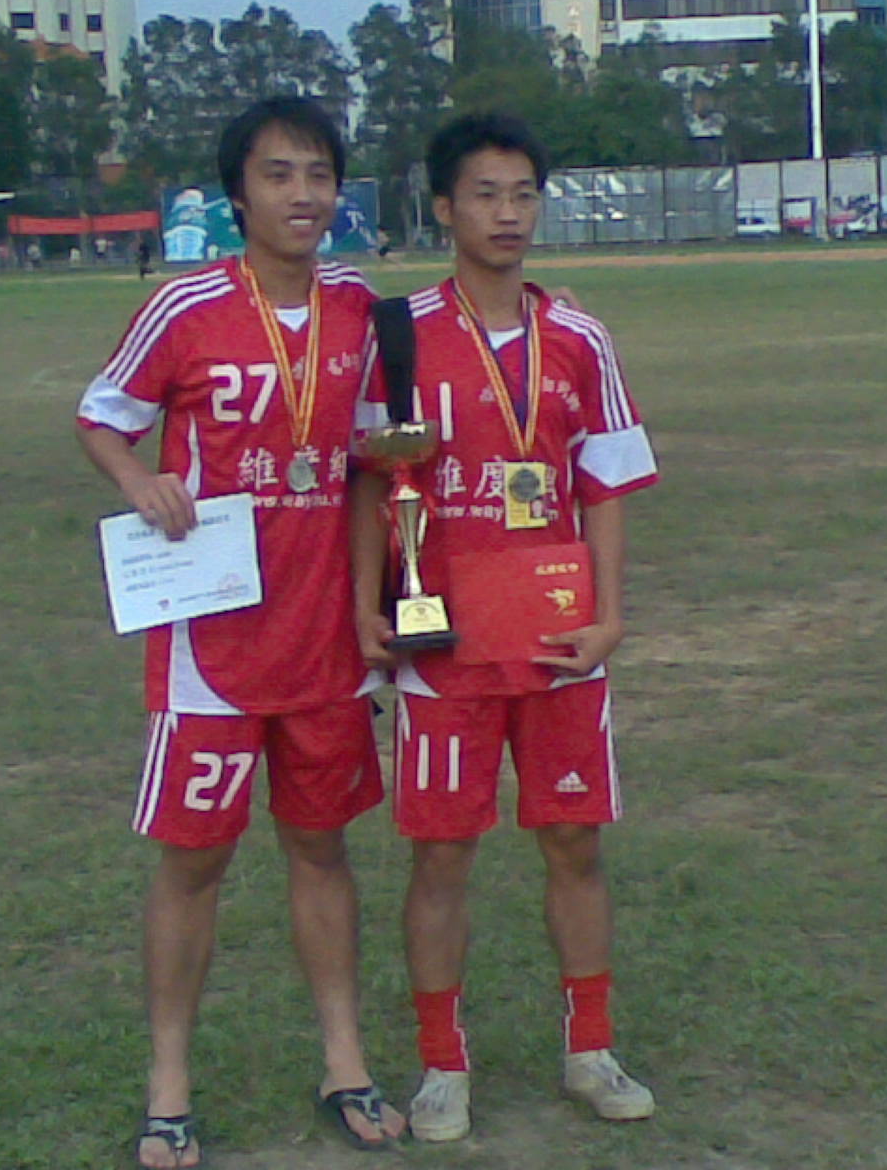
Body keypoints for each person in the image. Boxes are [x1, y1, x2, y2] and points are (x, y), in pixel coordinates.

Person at [75, 97, 406, 1169]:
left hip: (324, 646)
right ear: (237, 195)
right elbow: (102, 415)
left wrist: (369, 605)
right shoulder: (186, 307)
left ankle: (345, 1062)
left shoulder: (361, 314)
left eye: (319, 174)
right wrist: (141, 481)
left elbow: (372, 469)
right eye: (278, 174)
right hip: (209, 647)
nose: (303, 195)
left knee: (322, 848)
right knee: (192, 862)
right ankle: (168, 1085)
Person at [349, 112, 660, 1143]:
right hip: (445, 640)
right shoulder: (397, 336)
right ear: (444, 207)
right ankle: (443, 1065)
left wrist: (610, 616)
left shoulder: (578, 337)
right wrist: (364, 606)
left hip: (560, 639)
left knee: (573, 841)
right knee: (442, 855)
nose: (507, 213)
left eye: (524, 193)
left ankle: (591, 1047)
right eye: (485, 193)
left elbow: (603, 482)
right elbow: (369, 484)